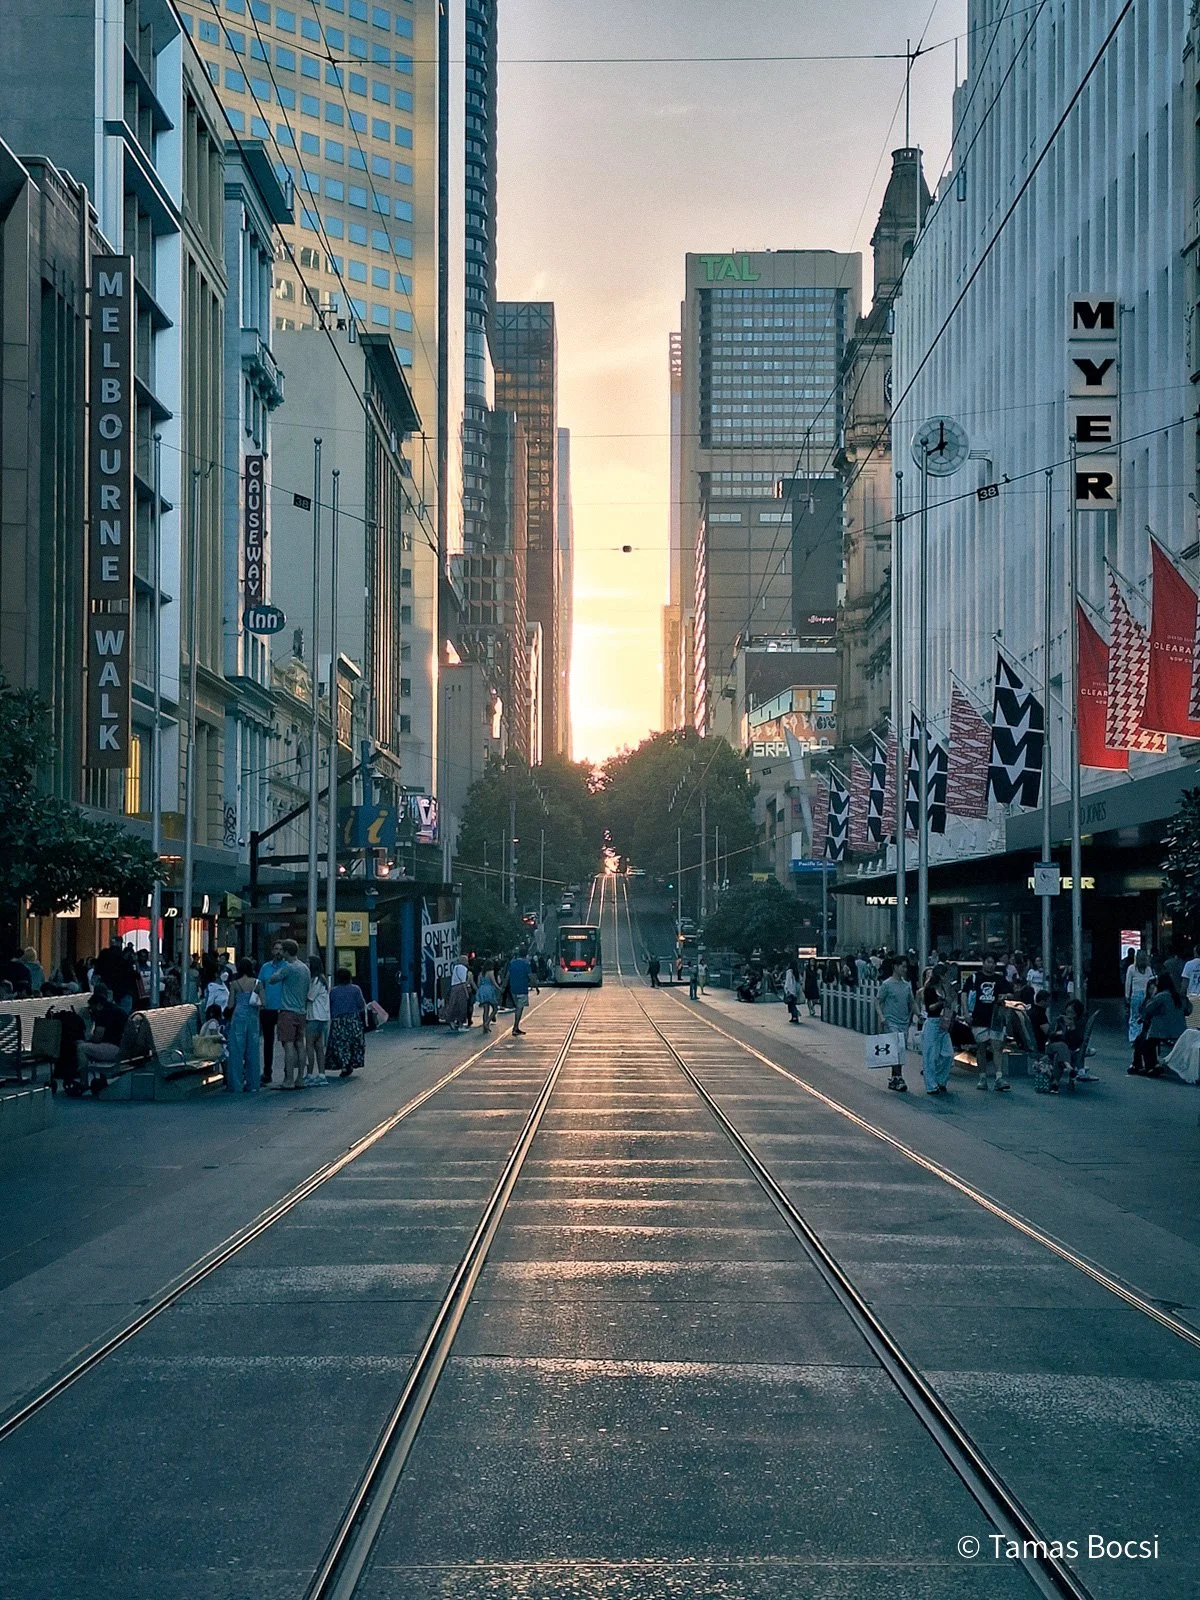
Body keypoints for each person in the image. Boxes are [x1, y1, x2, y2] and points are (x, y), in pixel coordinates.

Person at [963, 953, 1012, 1092]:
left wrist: (1005, 996)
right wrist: (966, 1013)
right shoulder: (974, 978)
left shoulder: (1000, 979)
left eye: (993, 963)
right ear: (983, 962)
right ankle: (982, 1077)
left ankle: (998, 1077)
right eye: (988, 962)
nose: (991, 965)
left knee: (997, 1046)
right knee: (981, 1047)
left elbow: (1010, 993)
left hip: (996, 1017)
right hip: (978, 1017)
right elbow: (964, 994)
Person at [1130, 973, 1191, 1077]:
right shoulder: (1179, 997)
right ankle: (1153, 1066)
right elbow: (1188, 1010)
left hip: (1162, 1031)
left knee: (1145, 1043)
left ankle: (1150, 1067)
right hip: (1180, 1031)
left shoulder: (1161, 996)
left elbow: (1147, 1009)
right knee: (1148, 1042)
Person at [274, 939, 312, 1089]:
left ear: (286, 952)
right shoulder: (305, 968)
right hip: (301, 1011)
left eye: (282, 950)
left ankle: (289, 1079)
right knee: (300, 1044)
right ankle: (300, 1078)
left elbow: (272, 980)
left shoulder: (288, 968)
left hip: (288, 1012)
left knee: (288, 1045)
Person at [874, 956, 915, 1093]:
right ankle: (898, 1077)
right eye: (903, 966)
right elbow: (878, 1001)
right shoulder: (887, 984)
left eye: (906, 967)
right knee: (897, 1047)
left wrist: (919, 1014)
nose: (905, 969)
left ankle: (894, 1077)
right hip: (891, 1021)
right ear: (895, 967)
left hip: (904, 1022)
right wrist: (882, 1017)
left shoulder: (906, 985)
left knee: (900, 1050)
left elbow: (912, 1002)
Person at [75, 984, 128, 1086]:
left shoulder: (104, 1013)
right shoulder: (117, 1009)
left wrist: (86, 1041)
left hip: (115, 1049)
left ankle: (83, 1082)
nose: (92, 1011)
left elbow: (97, 1038)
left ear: (98, 1005)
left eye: (92, 1008)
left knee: (81, 1047)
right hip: (124, 1048)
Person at [225, 957, 263, 1094]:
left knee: (236, 1051)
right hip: (253, 1017)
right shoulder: (257, 983)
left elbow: (230, 1005)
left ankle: (236, 1084)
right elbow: (264, 1002)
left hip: (238, 1017)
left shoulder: (234, 984)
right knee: (253, 1051)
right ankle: (253, 1084)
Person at [328, 967, 368, 1076]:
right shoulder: (356, 989)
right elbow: (361, 1004)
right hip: (353, 1020)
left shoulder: (333, 991)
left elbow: (330, 1005)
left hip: (338, 1021)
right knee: (355, 1043)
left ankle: (344, 1065)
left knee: (341, 1044)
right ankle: (353, 1062)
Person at [257, 941, 287, 1085]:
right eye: (276, 949)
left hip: (283, 1008)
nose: (278, 952)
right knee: (268, 1042)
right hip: (267, 1008)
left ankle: (288, 1072)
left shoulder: (287, 967)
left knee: (286, 1042)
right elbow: (260, 985)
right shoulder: (265, 967)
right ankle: (267, 1072)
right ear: (272, 950)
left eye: (281, 949)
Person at [1043, 998, 1086, 1092]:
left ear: (1077, 1014)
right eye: (1067, 1011)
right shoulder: (1059, 1020)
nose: (1068, 1014)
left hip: (1067, 1049)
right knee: (1062, 1046)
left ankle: (1055, 1083)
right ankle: (1068, 1066)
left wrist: (1072, 1027)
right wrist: (1058, 1033)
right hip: (1053, 1046)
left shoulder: (1078, 1024)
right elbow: (1050, 1035)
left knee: (1060, 1054)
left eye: (1072, 1012)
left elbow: (1077, 1042)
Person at [920, 998, 954, 1094]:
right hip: (932, 1022)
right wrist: (941, 1003)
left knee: (948, 1054)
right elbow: (930, 1008)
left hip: (945, 1021)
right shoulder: (930, 991)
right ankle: (931, 1085)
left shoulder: (947, 991)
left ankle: (940, 1080)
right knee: (931, 1056)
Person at [305, 955, 330, 1083]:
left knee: (309, 1044)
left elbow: (310, 997)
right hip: (322, 1016)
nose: (306, 964)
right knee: (319, 1045)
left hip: (315, 1016)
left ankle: (309, 1073)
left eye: (308, 962)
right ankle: (321, 1074)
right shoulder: (322, 980)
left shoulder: (315, 981)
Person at [507, 947, 537, 1035]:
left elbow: (507, 975)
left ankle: (516, 1027)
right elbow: (531, 977)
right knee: (519, 1009)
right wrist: (536, 987)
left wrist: (503, 986)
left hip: (513, 989)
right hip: (522, 989)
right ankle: (515, 1027)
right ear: (526, 955)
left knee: (517, 1007)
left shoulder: (512, 963)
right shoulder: (526, 964)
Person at [1125, 949, 1154, 1041]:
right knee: (1145, 1016)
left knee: (1134, 1017)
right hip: (1147, 995)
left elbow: (1128, 983)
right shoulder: (1148, 969)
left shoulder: (1131, 968)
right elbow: (1152, 983)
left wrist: (1127, 996)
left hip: (1136, 994)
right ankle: (1144, 1036)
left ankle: (1134, 1037)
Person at [445, 960, 471, 1033]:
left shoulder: (455, 968)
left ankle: (451, 1020)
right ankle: (461, 1025)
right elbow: (463, 982)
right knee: (462, 1007)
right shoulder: (463, 969)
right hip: (461, 989)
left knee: (454, 1005)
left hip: (454, 988)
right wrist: (466, 993)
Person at [477, 964, 500, 1032]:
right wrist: (499, 988)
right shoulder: (490, 972)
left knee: (486, 1010)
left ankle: (485, 1027)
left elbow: (478, 984)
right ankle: (487, 1022)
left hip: (482, 990)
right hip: (489, 990)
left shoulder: (480, 974)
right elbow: (494, 982)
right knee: (495, 1008)